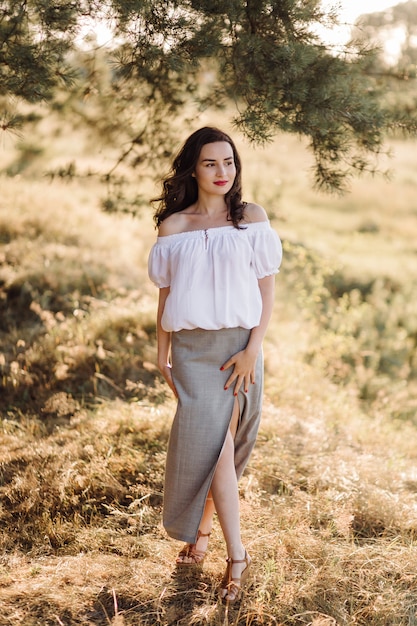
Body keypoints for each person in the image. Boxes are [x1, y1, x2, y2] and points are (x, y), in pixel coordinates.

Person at [148, 127, 282, 603]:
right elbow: (165, 294)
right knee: (212, 447)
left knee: (223, 448)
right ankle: (237, 554)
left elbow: (267, 290)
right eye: (210, 163)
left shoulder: (251, 218)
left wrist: (252, 348)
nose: (222, 172)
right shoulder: (174, 227)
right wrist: (161, 351)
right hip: (189, 351)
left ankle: (205, 537)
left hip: (238, 350)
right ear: (193, 168)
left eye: (229, 162)